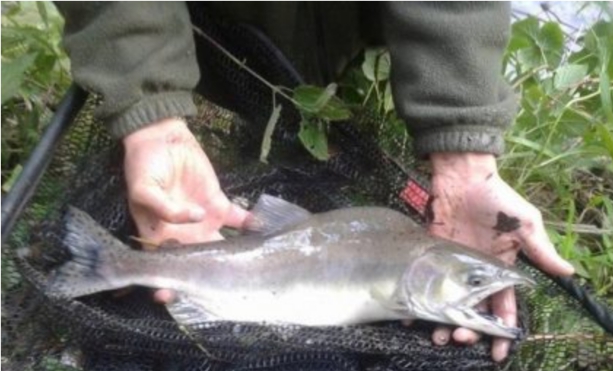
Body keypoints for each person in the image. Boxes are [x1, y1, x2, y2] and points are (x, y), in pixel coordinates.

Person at [55, 2, 574, 362]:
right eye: (473, 281)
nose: (479, 290)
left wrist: (466, 160)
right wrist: (152, 119)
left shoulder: (408, 250)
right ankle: (117, 265)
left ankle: (117, 265)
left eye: (474, 282)